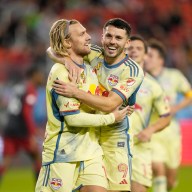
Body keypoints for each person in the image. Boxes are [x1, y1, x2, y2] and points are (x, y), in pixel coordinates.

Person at [49, 18, 144, 192]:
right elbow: (52, 49)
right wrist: (65, 61)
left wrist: (76, 92)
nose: (112, 42)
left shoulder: (132, 70)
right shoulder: (93, 53)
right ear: (102, 36)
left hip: (113, 135)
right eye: (109, 36)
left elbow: (109, 105)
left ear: (127, 42)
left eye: (118, 38)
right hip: (88, 134)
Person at [145, 39, 192, 192]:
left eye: (151, 55)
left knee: (170, 178)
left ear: (161, 60)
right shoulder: (142, 78)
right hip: (152, 130)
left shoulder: (174, 76)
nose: (146, 58)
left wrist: (176, 107)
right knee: (158, 168)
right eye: (146, 55)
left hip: (172, 132)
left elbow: (189, 94)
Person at [126, 35, 171, 192]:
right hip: (110, 144)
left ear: (146, 55)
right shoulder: (110, 78)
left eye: (139, 48)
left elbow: (166, 116)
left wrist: (150, 130)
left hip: (138, 147)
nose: (134, 51)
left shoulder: (153, 85)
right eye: (130, 48)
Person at [0, 65, 45, 183]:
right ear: (34, 76)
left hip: (9, 127)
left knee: (6, 161)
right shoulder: (30, 90)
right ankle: (39, 188)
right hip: (22, 129)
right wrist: (32, 134)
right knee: (37, 158)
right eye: (39, 75)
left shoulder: (19, 87)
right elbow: (26, 112)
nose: (41, 77)